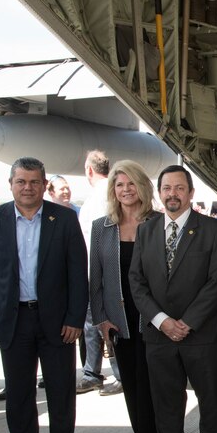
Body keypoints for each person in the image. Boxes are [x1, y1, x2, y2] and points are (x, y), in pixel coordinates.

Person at [0, 157, 88, 433]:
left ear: (44, 185)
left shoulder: (64, 219)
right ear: (11, 184)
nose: (27, 188)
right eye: (21, 181)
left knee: (61, 391)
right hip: (15, 320)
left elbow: (77, 274)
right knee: (20, 394)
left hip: (57, 322)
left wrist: (75, 318)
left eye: (34, 182)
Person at [130, 164, 217, 433]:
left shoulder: (213, 230)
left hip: (200, 334)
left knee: (211, 401)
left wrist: (186, 322)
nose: (172, 194)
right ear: (159, 193)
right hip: (159, 336)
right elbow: (136, 281)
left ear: (190, 193)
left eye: (179, 188)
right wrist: (162, 321)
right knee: (166, 403)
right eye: (166, 188)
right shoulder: (145, 231)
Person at [89, 160, 160, 433]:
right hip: (119, 317)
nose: (126, 190)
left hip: (154, 316)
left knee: (150, 382)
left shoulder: (158, 222)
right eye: (120, 185)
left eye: (131, 183)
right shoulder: (101, 227)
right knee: (130, 381)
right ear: (112, 190)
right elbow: (96, 277)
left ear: (142, 186)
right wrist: (101, 318)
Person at [77, 150, 122, 395]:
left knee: (101, 324)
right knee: (95, 324)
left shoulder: (97, 198)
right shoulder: (110, 192)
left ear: (89, 170)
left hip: (99, 274)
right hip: (101, 272)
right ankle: (93, 372)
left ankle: (108, 373)